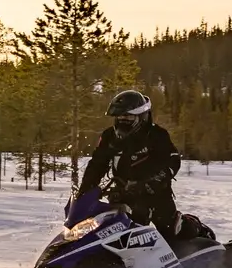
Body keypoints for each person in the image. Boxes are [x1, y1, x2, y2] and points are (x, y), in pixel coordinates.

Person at [79, 89, 192, 243]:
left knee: (171, 232)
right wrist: (85, 192)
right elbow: (97, 164)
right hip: (123, 195)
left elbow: (173, 161)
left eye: (127, 117)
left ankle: (197, 234)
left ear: (141, 117)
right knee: (110, 233)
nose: (122, 120)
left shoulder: (156, 135)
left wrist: (154, 181)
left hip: (155, 194)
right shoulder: (109, 137)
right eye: (119, 117)